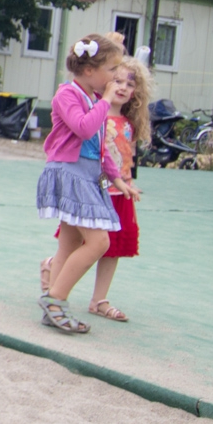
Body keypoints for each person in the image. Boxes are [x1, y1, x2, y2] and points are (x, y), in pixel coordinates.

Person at [37, 34, 140, 333]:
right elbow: (83, 129)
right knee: (99, 242)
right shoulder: (68, 95)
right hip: (70, 174)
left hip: (86, 174)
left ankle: (52, 302)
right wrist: (106, 101)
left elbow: (100, 148)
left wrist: (118, 180)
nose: (114, 79)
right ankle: (56, 301)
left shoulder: (94, 99)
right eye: (111, 71)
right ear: (89, 71)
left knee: (71, 242)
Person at [78, 59, 149, 321]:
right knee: (84, 242)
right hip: (97, 189)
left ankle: (99, 300)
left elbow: (124, 156)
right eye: (117, 81)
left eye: (129, 84)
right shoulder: (98, 113)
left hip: (121, 193)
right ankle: (55, 268)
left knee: (113, 248)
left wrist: (126, 182)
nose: (123, 87)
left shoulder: (129, 121)